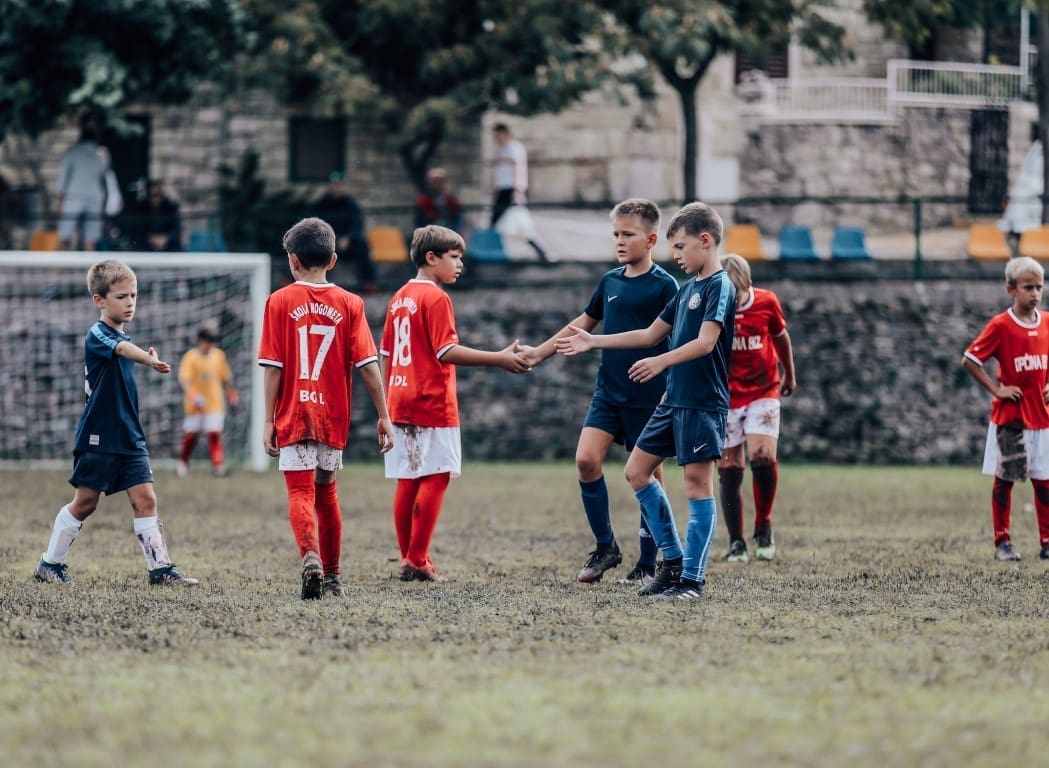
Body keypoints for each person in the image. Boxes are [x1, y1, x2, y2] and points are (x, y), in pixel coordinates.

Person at [558, 202, 735, 601]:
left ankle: (692, 581)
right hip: (672, 402)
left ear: (705, 242)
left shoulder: (719, 286)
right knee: (637, 471)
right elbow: (647, 334)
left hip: (702, 403)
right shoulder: (687, 287)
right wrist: (592, 339)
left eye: (681, 247)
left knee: (696, 485)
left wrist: (661, 362)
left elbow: (705, 343)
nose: (676, 256)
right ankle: (670, 563)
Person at [518, 199, 678, 585]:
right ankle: (606, 547)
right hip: (608, 393)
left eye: (628, 234)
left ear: (652, 238)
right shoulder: (609, 282)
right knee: (586, 460)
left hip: (648, 395)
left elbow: (670, 341)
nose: (619, 241)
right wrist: (540, 352)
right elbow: (582, 325)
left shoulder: (665, 286)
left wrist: (669, 383)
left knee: (649, 476)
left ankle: (647, 561)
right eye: (615, 235)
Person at [380, 224, 532, 581]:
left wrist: (387, 403)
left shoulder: (399, 296)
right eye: (454, 256)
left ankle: (409, 558)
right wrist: (499, 358)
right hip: (430, 401)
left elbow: (385, 353)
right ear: (431, 258)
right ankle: (417, 560)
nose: (460, 263)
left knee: (407, 477)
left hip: (399, 398)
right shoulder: (435, 297)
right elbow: (445, 351)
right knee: (437, 475)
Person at [33, 260, 197, 586]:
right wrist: (148, 358)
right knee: (86, 502)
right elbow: (121, 349)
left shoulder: (124, 334)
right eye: (122, 297)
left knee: (146, 499)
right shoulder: (98, 335)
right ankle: (49, 563)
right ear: (99, 300)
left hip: (129, 436)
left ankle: (160, 570)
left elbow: (125, 345)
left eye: (133, 296)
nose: (130, 303)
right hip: (99, 435)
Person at [258, 217, 394, 599]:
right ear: (333, 260)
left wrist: (268, 419)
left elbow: (273, 366)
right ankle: (332, 577)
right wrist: (384, 415)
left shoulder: (279, 301)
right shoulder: (351, 303)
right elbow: (368, 365)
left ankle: (311, 557)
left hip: (294, 410)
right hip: (332, 412)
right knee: (327, 492)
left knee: (300, 492)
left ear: (292, 261)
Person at [963, 256, 1049, 562]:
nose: (1036, 293)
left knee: (1045, 481)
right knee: (1006, 478)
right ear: (1010, 289)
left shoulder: (1048, 321)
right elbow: (970, 360)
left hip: (1042, 418)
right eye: (1028, 287)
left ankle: (1047, 540)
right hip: (1011, 418)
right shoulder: (1000, 325)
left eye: (1039, 287)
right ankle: (1003, 542)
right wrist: (996, 389)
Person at [718, 253, 797, 563]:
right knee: (729, 468)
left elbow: (781, 339)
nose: (732, 304)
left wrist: (789, 374)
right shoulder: (716, 305)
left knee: (762, 457)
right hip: (724, 395)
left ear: (747, 285)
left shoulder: (766, 302)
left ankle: (763, 526)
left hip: (763, 390)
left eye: (735, 296)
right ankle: (736, 541)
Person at [176, 324, 238, 478]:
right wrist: (194, 395)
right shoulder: (190, 357)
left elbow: (226, 378)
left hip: (214, 404)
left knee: (214, 435)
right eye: (207, 341)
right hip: (195, 405)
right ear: (200, 340)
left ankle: (218, 466)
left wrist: (231, 394)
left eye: (212, 341)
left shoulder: (218, 356)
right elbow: (184, 380)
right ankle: (183, 463)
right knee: (191, 436)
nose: (210, 345)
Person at [56, 113, 122, 251]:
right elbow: (108, 177)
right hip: (87, 197)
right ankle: (59, 272)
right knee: (75, 238)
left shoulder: (78, 152)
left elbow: (63, 177)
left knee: (74, 238)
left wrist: (61, 199)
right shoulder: (77, 152)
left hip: (81, 197)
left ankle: (62, 272)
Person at [490, 123, 549, 263]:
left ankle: (542, 252)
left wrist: (518, 191)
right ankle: (495, 255)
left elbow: (517, 169)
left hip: (512, 189)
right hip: (503, 189)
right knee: (497, 224)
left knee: (517, 224)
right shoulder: (503, 150)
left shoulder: (514, 148)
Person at [311, 172, 378, 294]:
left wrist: (349, 237)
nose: (337, 188)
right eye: (335, 185)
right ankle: (310, 281)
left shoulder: (351, 205)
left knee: (362, 246)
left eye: (340, 185)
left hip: (348, 243)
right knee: (311, 248)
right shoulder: (320, 205)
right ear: (330, 186)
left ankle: (367, 282)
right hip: (327, 242)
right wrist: (332, 239)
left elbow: (357, 224)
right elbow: (317, 225)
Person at [131, 179, 182, 251]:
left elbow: (177, 229)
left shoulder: (171, 208)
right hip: (145, 249)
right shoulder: (141, 209)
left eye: (157, 195)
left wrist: (165, 238)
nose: (154, 198)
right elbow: (137, 230)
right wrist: (150, 238)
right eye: (151, 195)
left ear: (162, 195)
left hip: (169, 248)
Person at [415, 167, 462, 232]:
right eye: (434, 181)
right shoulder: (423, 201)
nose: (437, 184)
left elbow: (457, 219)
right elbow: (420, 221)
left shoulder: (452, 200)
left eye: (440, 181)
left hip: (449, 232)